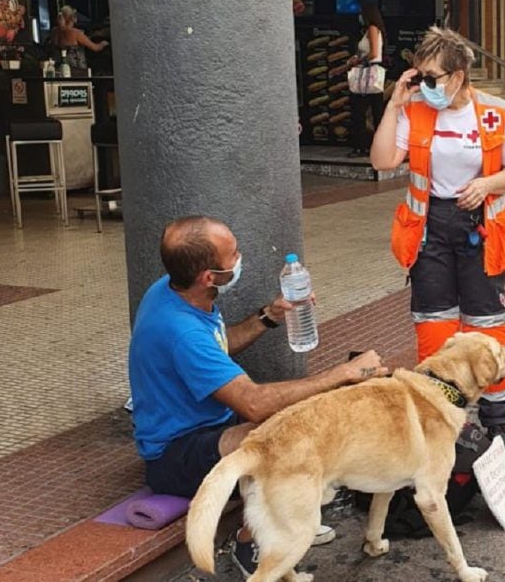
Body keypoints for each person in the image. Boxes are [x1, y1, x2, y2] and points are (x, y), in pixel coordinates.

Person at [128, 215, 388, 578]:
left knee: (303, 420)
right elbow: (253, 403)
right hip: (174, 456)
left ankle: (287, 515)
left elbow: (218, 345)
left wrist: (269, 316)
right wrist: (342, 374)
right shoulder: (180, 331)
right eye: (232, 255)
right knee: (276, 441)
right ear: (209, 276)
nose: (240, 259)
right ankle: (250, 541)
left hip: (210, 425)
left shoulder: (173, 290)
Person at [370, 26, 505, 455]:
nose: (425, 85)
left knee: (488, 328)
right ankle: (443, 417)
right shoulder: (415, 109)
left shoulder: (496, 111)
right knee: (433, 324)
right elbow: (383, 160)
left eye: (433, 77)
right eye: (419, 75)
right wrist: (394, 105)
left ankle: (499, 424)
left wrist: (488, 184)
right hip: (430, 230)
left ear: (458, 76)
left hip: (482, 228)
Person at [347, 1, 386, 158]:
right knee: (376, 111)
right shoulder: (374, 30)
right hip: (373, 72)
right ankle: (377, 147)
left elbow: (373, 53)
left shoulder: (372, 29)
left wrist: (356, 61)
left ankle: (361, 146)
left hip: (368, 72)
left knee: (360, 111)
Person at [51, 6, 108, 70]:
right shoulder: (75, 33)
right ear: (73, 18)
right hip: (76, 70)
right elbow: (96, 48)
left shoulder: (54, 31)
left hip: (59, 69)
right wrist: (103, 43)